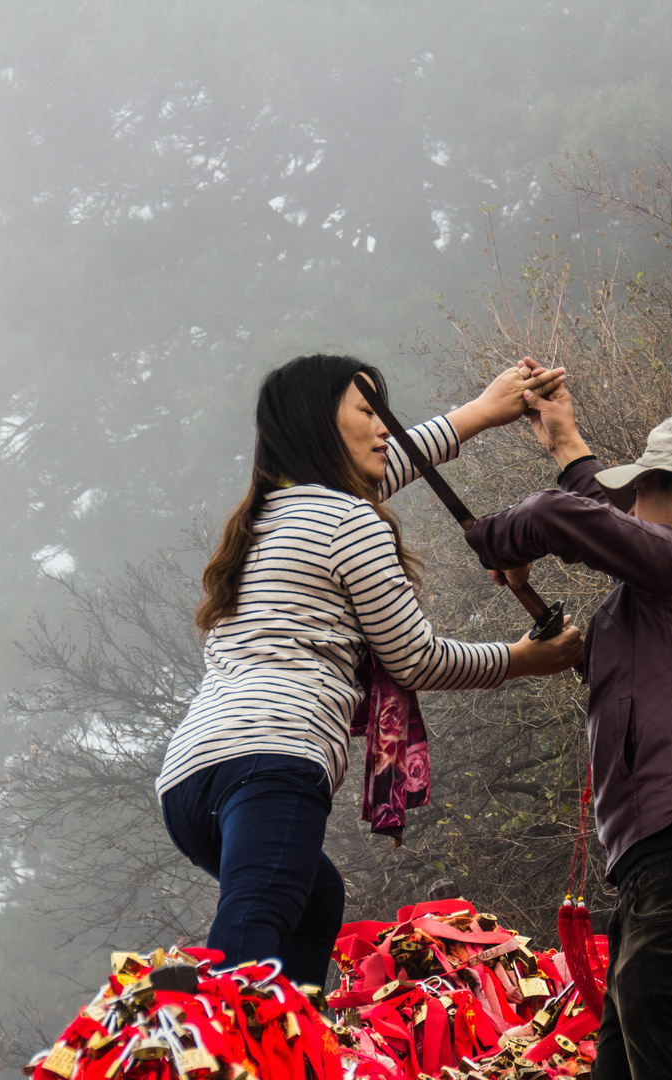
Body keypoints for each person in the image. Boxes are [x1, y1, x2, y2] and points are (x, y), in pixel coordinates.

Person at [157, 354, 584, 987]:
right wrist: (521, 659)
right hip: (274, 758)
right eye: (368, 413)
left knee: (313, 903)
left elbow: (380, 473)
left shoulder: (272, 516)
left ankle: (295, 1044)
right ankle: (214, 1041)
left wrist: (481, 413)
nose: (386, 429)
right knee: (257, 922)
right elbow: (415, 658)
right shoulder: (348, 521)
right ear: (319, 426)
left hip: (190, 778)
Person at [463, 365, 672, 1080]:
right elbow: (609, 521)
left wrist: (497, 539)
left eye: (641, 487)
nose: (626, 504)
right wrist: (566, 444)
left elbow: (565, 520)